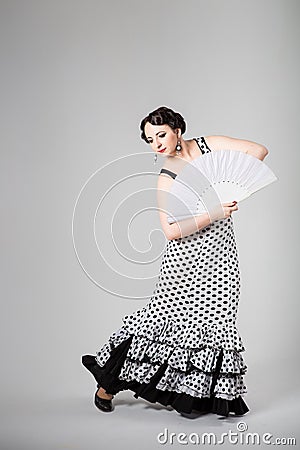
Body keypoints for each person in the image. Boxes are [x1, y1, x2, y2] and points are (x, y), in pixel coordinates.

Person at [82, 106, 269, 417]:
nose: (156, 142)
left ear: (176, 129)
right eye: (149, 139)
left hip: (221, 256)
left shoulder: (209, 147)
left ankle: (193, 397)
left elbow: (259, 151)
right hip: (184, 263)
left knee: (216, 323)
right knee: (160, 326)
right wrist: (214, 211)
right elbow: (170, 230)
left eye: (161, 134)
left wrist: (233, 181)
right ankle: (108, 384)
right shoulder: (167, 175)